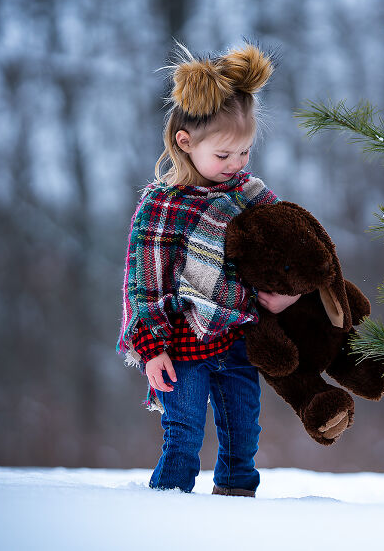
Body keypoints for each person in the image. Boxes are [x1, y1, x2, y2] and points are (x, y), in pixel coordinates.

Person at [116, 40, 300, 496]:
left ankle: (235, 514)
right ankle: (165, 512)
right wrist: (151, 347)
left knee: (243, 438)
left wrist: (292, 286)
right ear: (186, 142)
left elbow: (290, 244)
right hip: (180, 344)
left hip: (238, 338)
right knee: (184, 438)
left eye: (244, 153)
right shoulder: (161, 205)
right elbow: (144, 285)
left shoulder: (249, 195)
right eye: (224, 155)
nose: (236, 165)